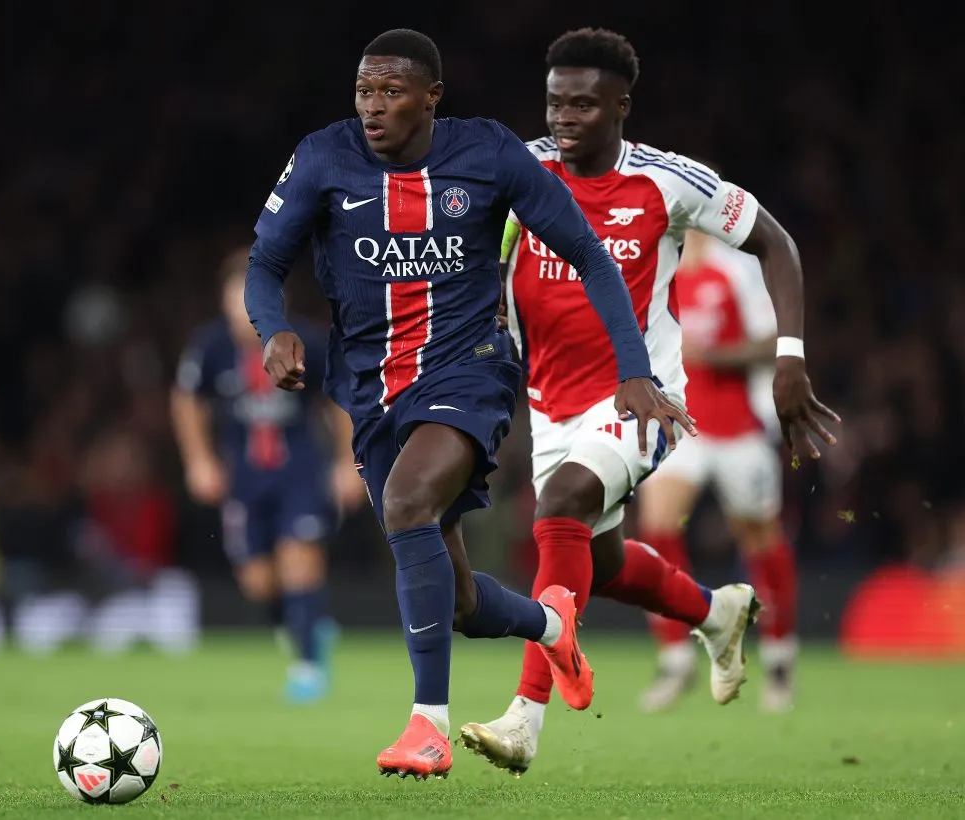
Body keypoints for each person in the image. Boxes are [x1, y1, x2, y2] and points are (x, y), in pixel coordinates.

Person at [243, 29, 688, 780]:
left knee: (408, 501)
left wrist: (635, 369)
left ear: (431, 96)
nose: (373, 108)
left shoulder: (486, 155)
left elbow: (586, 251)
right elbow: (264, 262)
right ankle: (552, 625)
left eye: (390, 92)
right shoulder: (324, 156)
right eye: (363, 92)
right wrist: (275, 330)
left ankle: (427, 727)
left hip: (469, 371)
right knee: (460, 604)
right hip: (372, 390)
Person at [459, 28, 838, 775]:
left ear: (621, 107)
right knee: (595, 563)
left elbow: (777, 245)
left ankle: (524, 718)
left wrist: (789, 358)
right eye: (555, 102)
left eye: (584, 105)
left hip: (646, 399)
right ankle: (715, 611)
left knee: (558, 510)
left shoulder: (670, 183)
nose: (565, 118)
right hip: (552, 404)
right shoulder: (521, 170)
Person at [172, 247, 364, 703]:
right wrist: (199, 459)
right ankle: (303, 626)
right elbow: (186, 399)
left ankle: (308, 666)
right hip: (244, 476)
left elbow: (339, 400)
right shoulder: (210, 346)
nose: (244, 307)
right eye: (236, 295)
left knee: (299, 556)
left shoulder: (306, 340)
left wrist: (346, 463)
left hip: (300, 470)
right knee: (258, 580)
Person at [637, 229, 799, 714]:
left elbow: (773, 339)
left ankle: (778, 658)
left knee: (759, 539)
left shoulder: (738, 269)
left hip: (737, 426)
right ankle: (675, 656)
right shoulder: (658, 268)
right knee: (656, 528)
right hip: (680, 424)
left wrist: (712, 354)